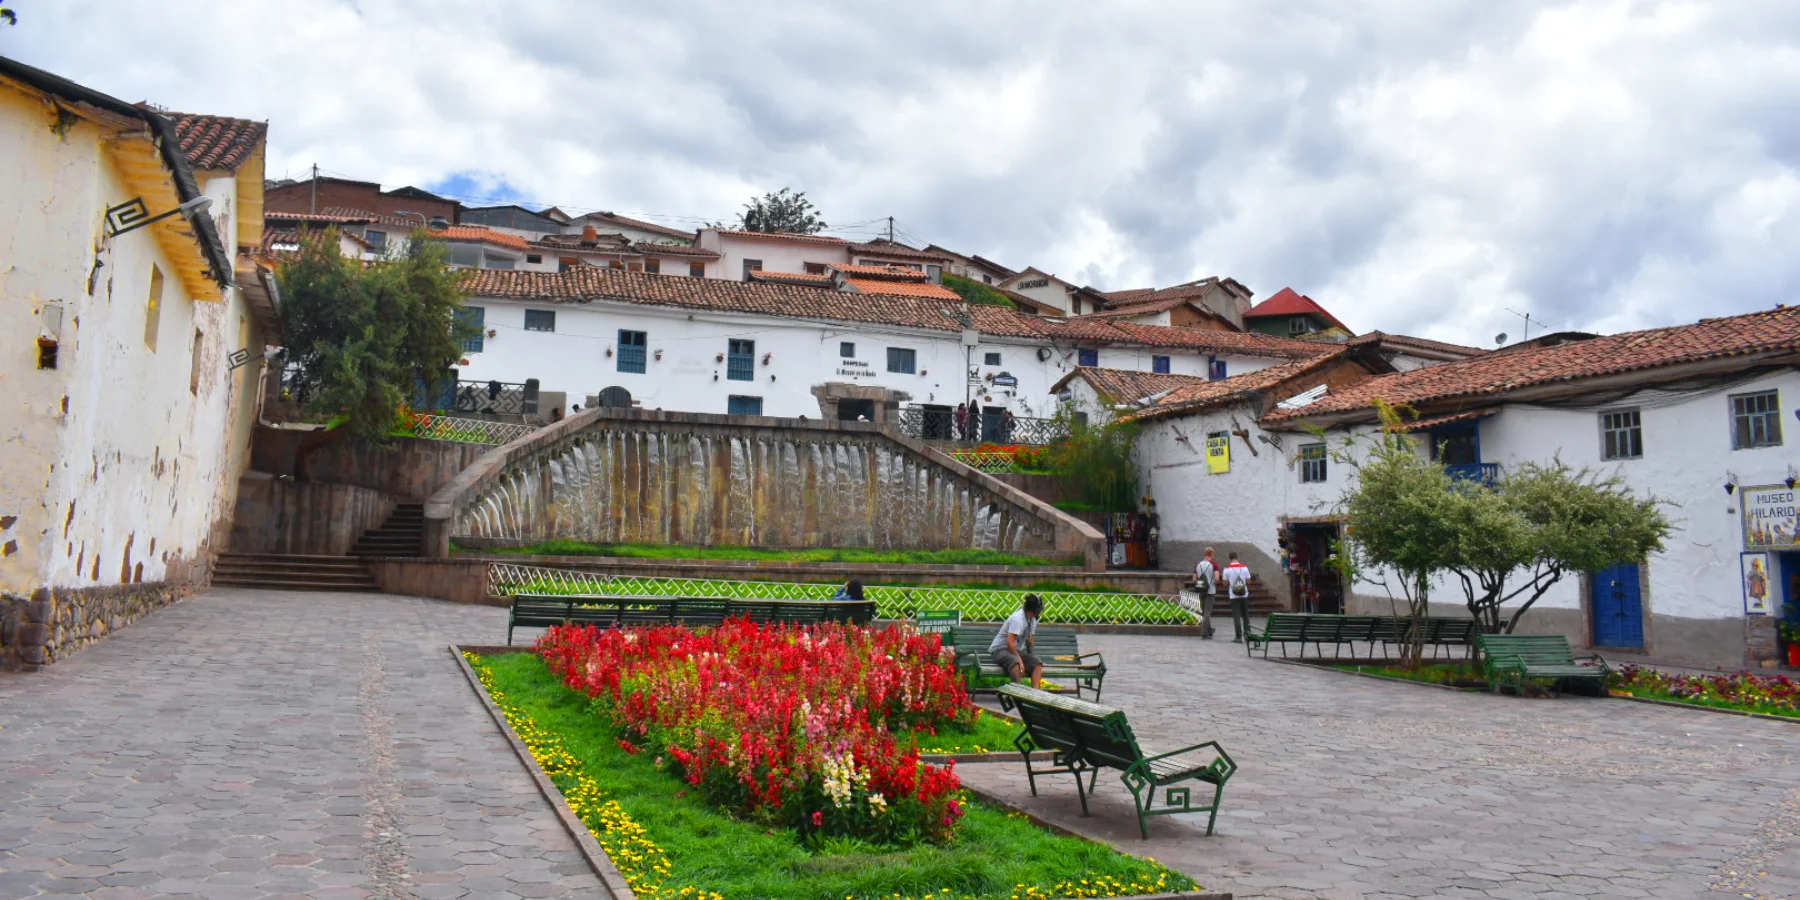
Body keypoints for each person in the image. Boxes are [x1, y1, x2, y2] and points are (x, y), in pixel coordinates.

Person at [988, 594, 1045, 689]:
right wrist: (1020, 660)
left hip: (1015, 650)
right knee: (1015, 662)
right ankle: (1018, 694)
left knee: (1037, 663)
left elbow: (1030, 641)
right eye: (1037, 611)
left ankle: (1036, 694)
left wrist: (1031, 657)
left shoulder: (1032, 620)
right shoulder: (1018, 619)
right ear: (1032, 610)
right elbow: (1010, 643)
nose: (1038, 614)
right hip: (1000, 650)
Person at [1221, 552, 1253, 642]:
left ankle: (1238, 636)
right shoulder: (1244, 567)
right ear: (1237, 557)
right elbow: (1249, 582)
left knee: (1236, 616)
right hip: (1244, 594)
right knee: (1245, 615)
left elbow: (1224, 583)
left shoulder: (1227, 569)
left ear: (1229, 558)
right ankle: (1247, 634)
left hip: (1233, 595)